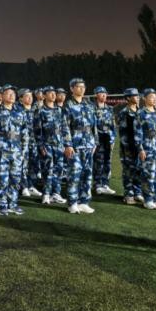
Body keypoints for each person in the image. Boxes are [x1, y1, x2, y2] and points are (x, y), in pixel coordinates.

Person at [0, 85, 29, 216]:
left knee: (16, 179)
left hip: (17, 150)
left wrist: (24, 149)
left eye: (13, 93)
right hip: (2, 149)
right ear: (2, 95)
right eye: (8, 93)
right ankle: (3, 205)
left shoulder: (20, 111)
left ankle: (13, 204)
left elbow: (25, 132)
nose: (12, 96)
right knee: (2, 179)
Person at [63, 78, 97, 214]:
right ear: (72, 88)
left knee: (87, 174)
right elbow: (65, 126)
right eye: (78, 86)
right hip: (75, 145)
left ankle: (84, 202)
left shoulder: (89, 104)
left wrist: (95, 142)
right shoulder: (68, 105)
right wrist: (68, 145)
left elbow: (94, 125)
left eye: (83, 86)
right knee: (74, 174)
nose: (82, 89)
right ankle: (72, 202)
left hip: (89, 144)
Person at [135, 88, 156, 210]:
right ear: (144, 98)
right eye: (151, 97)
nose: (154, 99)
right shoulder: (140, 113)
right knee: (148, 174)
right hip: (147, 147)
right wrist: (140, 149)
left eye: (155, 97)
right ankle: (148, 200)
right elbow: (137, 133)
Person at [35, 86, 69, 205]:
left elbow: (65, 128)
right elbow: (37, 131)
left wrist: (67, 144)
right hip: (47, 145)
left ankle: (56, 194)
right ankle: (46, 194)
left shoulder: (59, 110)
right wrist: (40, 146)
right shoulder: (40, 111)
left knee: (58, 170)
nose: (54, 95)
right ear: (44, 95)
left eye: (54, 93)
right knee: (47, 170)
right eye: (50, 93)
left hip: (59, 145)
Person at [117, 88, 143, 204]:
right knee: (128, 171)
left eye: (138, 95)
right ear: (128, 98)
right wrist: (128, 148)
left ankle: (137, 192)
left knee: (139, 170)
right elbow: (123, 134)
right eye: (135, 96)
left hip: (139, 147)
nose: (137, 97)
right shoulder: (124, 113)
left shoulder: (140, 112)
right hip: (128, 148)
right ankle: (128, 194)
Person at [93, 86, 117, 195]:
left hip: (108, 139)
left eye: (105, 93)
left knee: (107, 162)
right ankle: (98, 184)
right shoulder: (92, 108)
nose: (104, 95)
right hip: (98, 139)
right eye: (101, 93)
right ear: (96, 95)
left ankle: (105, 184)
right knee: (98, 162)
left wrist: (113, 138)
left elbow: (113, 125)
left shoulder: (110, 109)